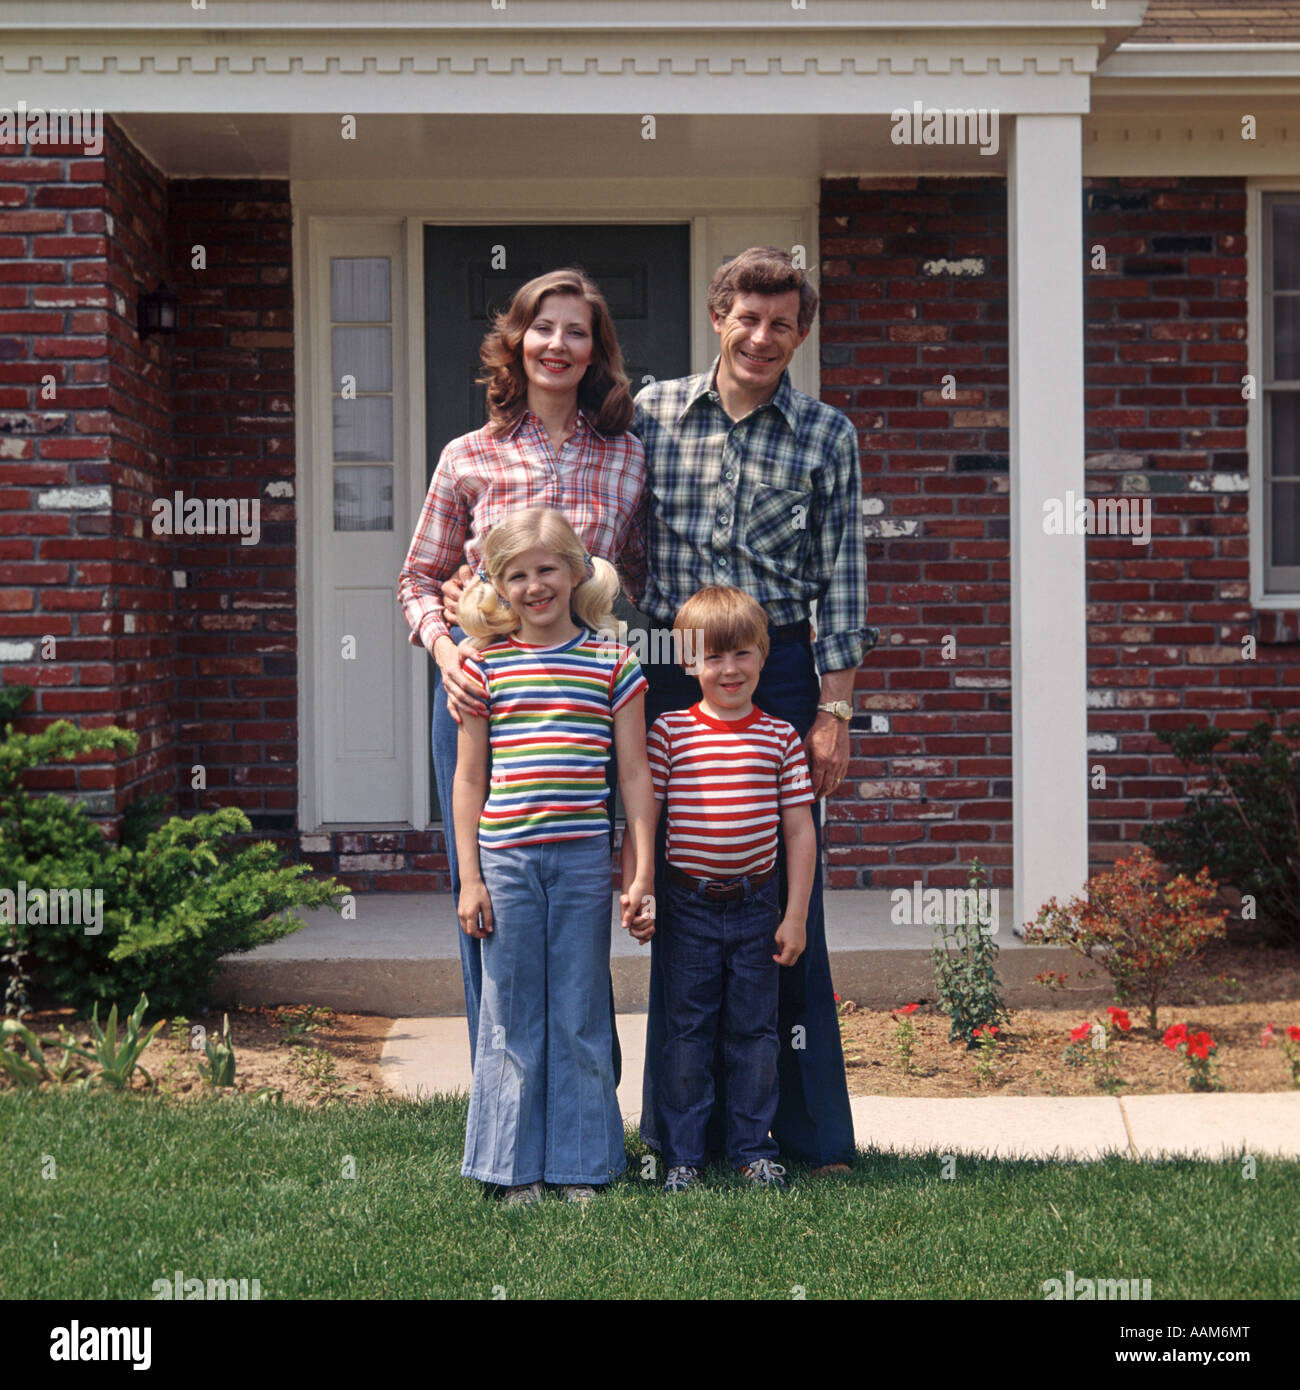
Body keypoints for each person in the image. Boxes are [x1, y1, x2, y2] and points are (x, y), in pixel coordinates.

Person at [632, 245, 878, 1174]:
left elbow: (843, 579)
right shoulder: (651, 414)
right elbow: (587, 518)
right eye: (748, 318)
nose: (762, 337)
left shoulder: (826, 435)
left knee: (782, 903)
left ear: (800, 334)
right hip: (669, 668)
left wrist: (835, 712)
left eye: (782, 324)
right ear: (718, 318)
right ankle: (679, 1135)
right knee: (681, 893)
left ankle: (806, 1136)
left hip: (776, 672)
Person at [398, 269, 646, 1068]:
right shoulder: (467, 456)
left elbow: (637, 577)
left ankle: (585, 1094)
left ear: (595, 351)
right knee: (488, 902)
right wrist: (448, 651)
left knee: (578, 899)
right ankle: (500, 1091)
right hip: (482, 699)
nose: (558, 345)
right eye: (543, 328)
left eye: (577, 331)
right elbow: (417, 577)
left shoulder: (627, 459)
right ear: (516, 342)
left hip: (579, 705)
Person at [454, 507, 655, 1204]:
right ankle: (514, 1169)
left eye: (547, 569)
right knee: (511, 1013)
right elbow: (469, 780)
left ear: (576, 572)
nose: (534, 586)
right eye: (516, 575)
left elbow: (635, 775)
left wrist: (641, 871)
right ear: (497, 585)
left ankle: (582, 1165)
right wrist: (470, 879)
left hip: (582, 860)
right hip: (506, 861)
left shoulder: (613, 663)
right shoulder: (483, 666)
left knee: (579, 1011)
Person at [622, 586, 815, 1192]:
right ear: (687, 661)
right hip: (687, 907)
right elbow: (644, 819)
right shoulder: (669, 733)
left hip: (758, 907)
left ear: (763, 655)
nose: (729, 669)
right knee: (687, 1033)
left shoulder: (780, 737)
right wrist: (639, 889)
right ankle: (683, 1156)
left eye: (742, 654)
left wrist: (795, 915)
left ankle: (752, 1150)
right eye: (712, 656)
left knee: (755, 1034)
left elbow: (799, 831)